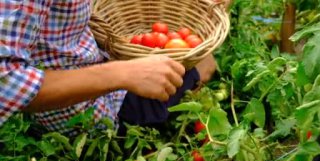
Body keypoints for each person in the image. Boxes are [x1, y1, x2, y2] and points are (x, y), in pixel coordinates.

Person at [0, 0, 231, 135]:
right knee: (204, 62)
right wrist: (123, 74)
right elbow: (6, 82)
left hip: (94, 59)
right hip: (88, 113)